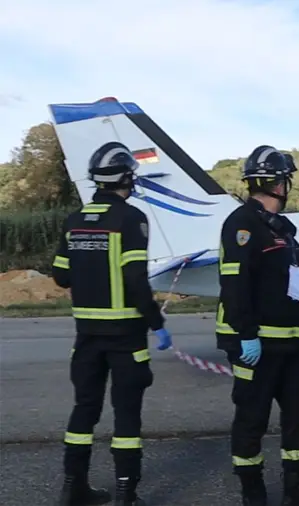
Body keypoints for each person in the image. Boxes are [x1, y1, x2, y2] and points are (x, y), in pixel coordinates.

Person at [51, 141, 173, 506]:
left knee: (84, 409)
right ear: (126, 178)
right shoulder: (131, 218)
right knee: (126, 416)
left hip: (86, 336)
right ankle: (126, 494)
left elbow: (60, 276)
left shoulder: (75, 220)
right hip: (125, 337)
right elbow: (136, 279)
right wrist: (157, 323)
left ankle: (73, 487)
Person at [215, 145, 299, 506]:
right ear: (279, 183)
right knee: (251, 420)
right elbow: (235, 284)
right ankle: (253, 492)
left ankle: (298, 487)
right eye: (286, 180)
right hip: (256, 345)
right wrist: (246, 336)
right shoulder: (242, 224)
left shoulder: (284, 231)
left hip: (291, 345)